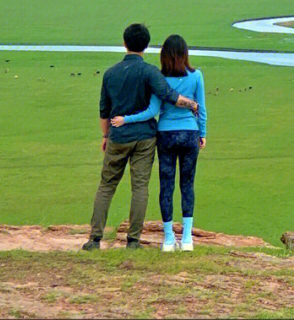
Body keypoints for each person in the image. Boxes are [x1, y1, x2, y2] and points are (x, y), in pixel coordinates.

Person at [84, 23, 198, 251]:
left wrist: (106, 135)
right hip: (145, 138)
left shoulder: (110, 74)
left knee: (106, 186)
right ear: (146, 46)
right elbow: (169, 96)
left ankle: (94, 239)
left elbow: (104, 111)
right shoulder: (150, 72)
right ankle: (133, 240)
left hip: (118, 135)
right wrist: (192, 104)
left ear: (125, 43)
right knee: (140, 187)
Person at [111, 34, 207, 252]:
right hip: (190, 133)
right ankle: (188, 240)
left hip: (165, 135)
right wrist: (203, 132)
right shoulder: (197, 75)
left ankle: (168, 239)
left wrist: (127, 119)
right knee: (187, 184)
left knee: (166, 185)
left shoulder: (159, 78)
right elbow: (201, 108)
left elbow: (152, 111)